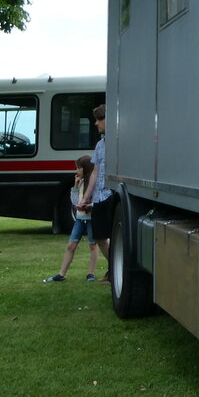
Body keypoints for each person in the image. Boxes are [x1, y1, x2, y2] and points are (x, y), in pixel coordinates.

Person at [42, 155, 101, 282]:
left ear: (85, 168)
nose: (77, 171)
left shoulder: (94, 183)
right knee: (71, 245)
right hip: (80, 218)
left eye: (79, 168)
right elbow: (74, 201)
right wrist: (75, 185)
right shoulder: (81, 183)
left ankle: (91, 273)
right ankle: (61, 274)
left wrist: (88, 206)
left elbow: (97, 201)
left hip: (91, 218)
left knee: (93, 245)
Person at [79, 104, 114, 283]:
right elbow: (94, 172)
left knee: (115, 235)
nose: (96, 123)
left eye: (99, 119)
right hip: (100, 196)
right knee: (99, 236)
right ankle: (114, 268)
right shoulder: (100, 145)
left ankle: (114, 271)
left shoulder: (119, 142)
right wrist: (86, 197)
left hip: (113, 195)